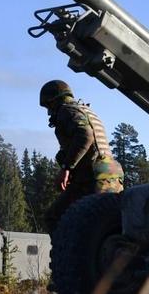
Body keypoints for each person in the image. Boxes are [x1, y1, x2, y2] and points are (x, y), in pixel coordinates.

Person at [40, 80, 124, 232]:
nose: (48, 112)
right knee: (108, 226)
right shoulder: (85, 110)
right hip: (111, 174)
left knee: (55, 217)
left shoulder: (67, 111)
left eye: (48, 106)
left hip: (92, 177)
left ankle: (67, 255)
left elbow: (85, 136)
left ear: (54, 100)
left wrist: (67, 167)